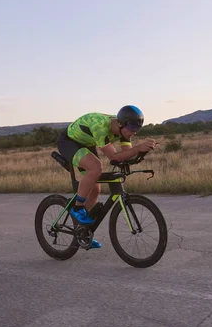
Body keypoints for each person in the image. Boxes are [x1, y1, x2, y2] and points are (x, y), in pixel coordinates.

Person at [56, 105, 158, 248]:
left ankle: (85, 233)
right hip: (69, 141)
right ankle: (78, 208)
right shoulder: (101, 127)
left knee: (95, 189)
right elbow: (114, 157)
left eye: (137, 128)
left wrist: (142, 152)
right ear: (121, 124)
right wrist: (137, 148)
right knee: (95, 167)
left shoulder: (124, 131)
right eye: (132, 127)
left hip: (87, 143)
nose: (134, 132)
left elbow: (125, 155)